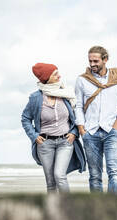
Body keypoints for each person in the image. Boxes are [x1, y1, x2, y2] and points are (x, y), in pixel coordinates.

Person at [75, 46, 117, 196]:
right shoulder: (82, 80)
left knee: (114, 172)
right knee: (94, 175)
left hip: (111, 132)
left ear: (105, 60)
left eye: (96, 61)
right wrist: (82, 129)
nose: (92, 64)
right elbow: (78, 106)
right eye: (90, 61)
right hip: (90, 132)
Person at [21, 63, 85, 193]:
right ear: (46, 77)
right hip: (45, 144)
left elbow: (76, 115)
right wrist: (34, 136)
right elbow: (25, 118)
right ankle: (52, 211)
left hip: (65, 142)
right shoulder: (36, 98)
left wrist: (74, 133)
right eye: (55, 74)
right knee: (50, 182)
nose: (59, 76)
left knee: (59, 176)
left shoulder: (65, 93)